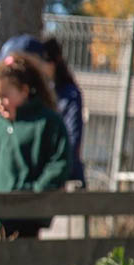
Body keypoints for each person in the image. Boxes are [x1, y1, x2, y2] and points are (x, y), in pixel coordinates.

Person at [0, 53, 70, 239]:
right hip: (0, 213)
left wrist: (36, 192)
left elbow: (59, 162)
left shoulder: (47, 121)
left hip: (31, 213)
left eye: (4, 96)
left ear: (24, 91)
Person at [41, 37, 85, 186]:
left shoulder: (69, 93)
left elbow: (73, 135)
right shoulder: (34, 93)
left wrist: (60, 167)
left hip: (66, 169)